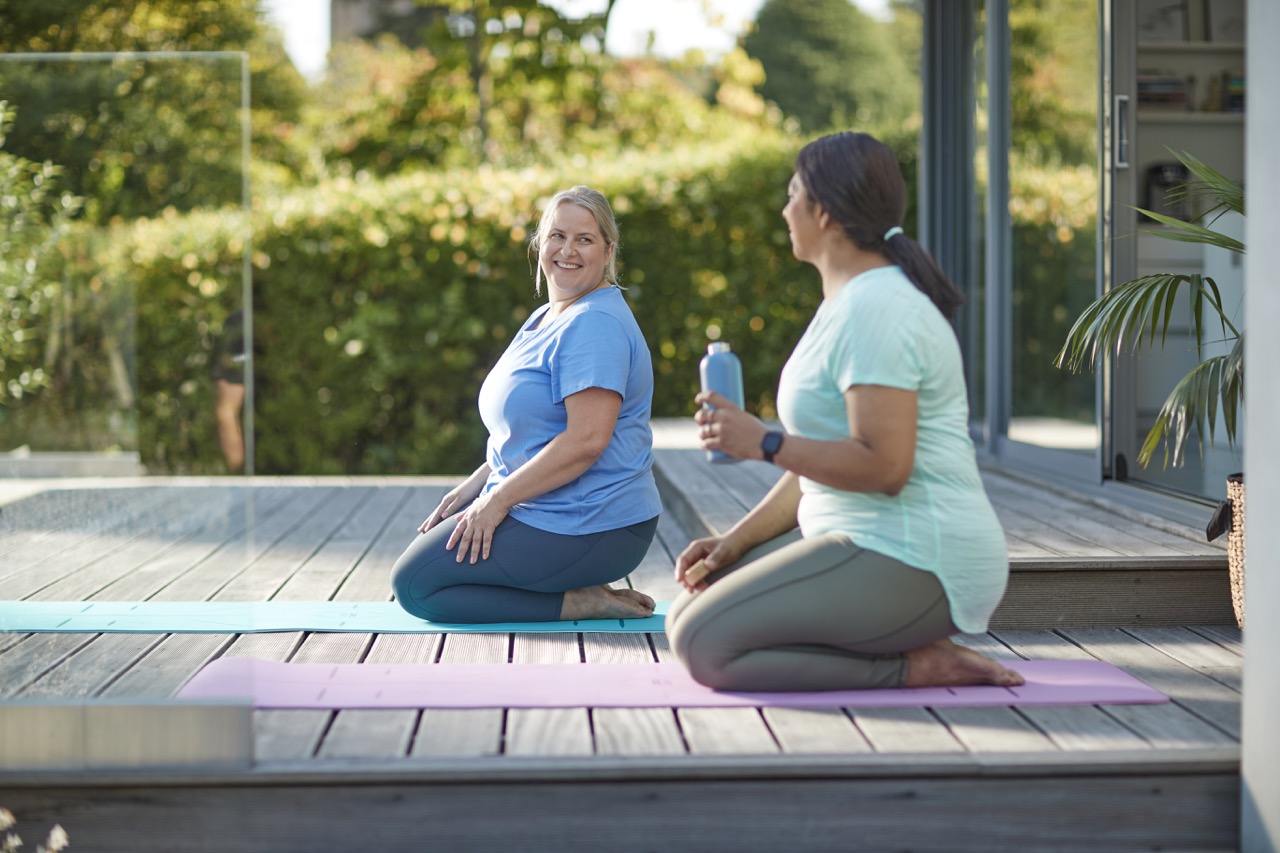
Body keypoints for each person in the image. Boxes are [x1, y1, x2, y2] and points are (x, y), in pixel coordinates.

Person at [665, 132, 1025, 692]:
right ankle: (894, 640)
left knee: (704, 644)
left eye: (793, 196)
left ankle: (918, 666)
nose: (784, 211)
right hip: (854, 536)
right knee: (691, 607)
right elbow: (818, 464)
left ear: (825, 213)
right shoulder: (846, 303)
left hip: (916, 554)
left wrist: (763, 441)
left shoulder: (879, 308)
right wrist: (736, 539)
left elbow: (885, 468)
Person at [391, 186, 662, 624]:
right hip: (549, 510)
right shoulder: (549, 317)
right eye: (557, 236)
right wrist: (481, 482)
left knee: (418, 587)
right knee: (424, 569)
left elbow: (586, 441)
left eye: (585, 239)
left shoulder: (594, 324)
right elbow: (537, 431)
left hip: (592, 524)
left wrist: (496, 501)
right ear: (540, 244)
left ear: (608, 251)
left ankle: (579, 602)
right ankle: (568, 587)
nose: (567, 250)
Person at [211, 309, 246, 473]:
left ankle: (236, 469)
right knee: (226, 414)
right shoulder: (238, 320)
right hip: (234, 375)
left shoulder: (241, 320)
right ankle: (236, 469)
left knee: (226, 413)